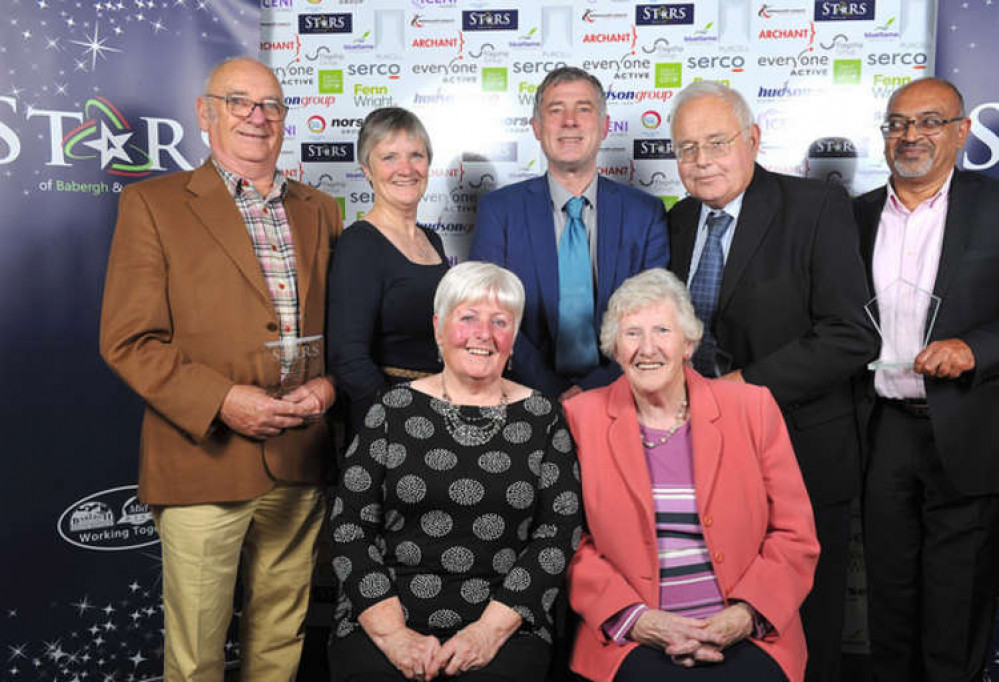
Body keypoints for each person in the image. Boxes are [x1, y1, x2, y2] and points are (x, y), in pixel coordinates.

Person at [99, 57, 342, 680]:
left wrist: (328, 384)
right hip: (201, 456)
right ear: (205, 114)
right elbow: (129, 338)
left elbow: (341, 327)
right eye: (239, 102)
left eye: (272, 106)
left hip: (299, 454)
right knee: (196, 657)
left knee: (279, 644)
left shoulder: (321, 209)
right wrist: (222, 400)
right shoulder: (151, 204)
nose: (257, 118)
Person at [665, 81, 876, 682]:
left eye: (715, 142)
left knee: (807, 628)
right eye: (685, 148)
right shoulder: (678, 222)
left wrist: (740, 388)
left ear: (752, 140)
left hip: (803, 450)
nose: (700, 160)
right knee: (730, 627)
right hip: (705, 463)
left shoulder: (813, 207)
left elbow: (851, 334)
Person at [329, 261, 583, 682]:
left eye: (499, 321)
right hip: (385, 611)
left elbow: (558, 534)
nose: (483, 333)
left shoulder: (544, 416)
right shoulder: (391, 409)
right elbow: (349, 527)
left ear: (513, 338)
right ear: (438, 327)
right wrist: (394, 635)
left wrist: (487, 632)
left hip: (504, 618)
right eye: (467, 318)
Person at [564, 268, 819, 682]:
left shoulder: (752, 408)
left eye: (663, 330)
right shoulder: (580, 418)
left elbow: (794, 534)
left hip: (747, 631)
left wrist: (743, 616)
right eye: (631, 334)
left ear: (689, 342)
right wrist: (640, 621)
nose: (647, 349)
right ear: (614, 347)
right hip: (632, 635)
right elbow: (571, 543)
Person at [853, 77, 999, 682]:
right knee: (886, 599)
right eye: (897, 124)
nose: (911, 136)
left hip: (966, 429)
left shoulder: (994, 207)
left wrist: (975, 347)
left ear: (962, 132)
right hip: (879, 429)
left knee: (955, 606)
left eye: (929, 122)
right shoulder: (851, 216)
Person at [470, 66, 669, 401]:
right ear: (536, 127)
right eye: (556, 110)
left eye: (584, 109)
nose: (570, 121)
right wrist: (550, 391)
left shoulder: (644, 213)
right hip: (522, 397)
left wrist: (593, 389)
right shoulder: (499, 211)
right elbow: (488, 314)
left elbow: (656, 316)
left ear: (605, 127)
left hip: (622, 396)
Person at [329, 107, 449, 431]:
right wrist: (402, 422)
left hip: (440, 412)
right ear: (367, 169)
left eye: (416, 155)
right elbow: (348, 359)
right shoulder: (360, 244)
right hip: (389, 426)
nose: (406, 169)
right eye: (389, 158)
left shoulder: (432, 240)